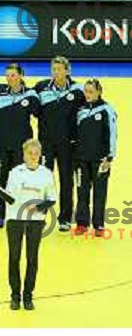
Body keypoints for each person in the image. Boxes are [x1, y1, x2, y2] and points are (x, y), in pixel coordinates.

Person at [0, 138, 57, 311]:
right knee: (14, 258)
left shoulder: (46, 173)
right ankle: (15, 296)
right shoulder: (15, 172)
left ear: (40, 155)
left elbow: (52, 199)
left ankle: (28, 296)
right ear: (24, 154)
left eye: (36, 154)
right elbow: (10, 199)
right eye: (29, 153)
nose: (33, 157)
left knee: (32, 259)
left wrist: (38, 207)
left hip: (36, 221)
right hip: (15, 219)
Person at [34, 56, 85, 232]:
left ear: (67, 71)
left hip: (67, 144)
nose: (56, 73)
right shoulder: (41, 88)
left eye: (60, 69)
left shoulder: (78, 90)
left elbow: (86, 114)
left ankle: (65, 219)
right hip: (46, 144)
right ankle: (40, 217)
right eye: (53, 69)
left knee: (66, 181)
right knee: (43, 181)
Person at [0, 63, 40, 229]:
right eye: (7, 75)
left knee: (21, 181)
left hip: (21, 148)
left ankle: (20, 213)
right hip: (1, 146)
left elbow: (40, 113)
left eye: (13, 75)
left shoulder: (31, 95)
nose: (9, 78)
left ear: (21, 76)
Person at [73, 79, 117, 236]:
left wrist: (109, 157)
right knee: (81, 191)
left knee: (99, 192)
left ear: (99, 92)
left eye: (91, 91)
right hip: (81, 160)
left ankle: (98, 225)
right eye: (86, 91)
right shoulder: (80, 110)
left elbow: (112, 134)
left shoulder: (107, 110)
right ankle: (81, 223)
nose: (88, 94)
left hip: (100, 160)